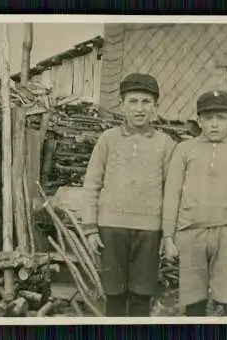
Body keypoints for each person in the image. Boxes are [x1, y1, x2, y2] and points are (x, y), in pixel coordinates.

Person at [162, 90, 227, 317]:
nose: (215, 124)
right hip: (191, 234)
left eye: (221, 118)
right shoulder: (185, 150)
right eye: (208, 119)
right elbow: (172, 193)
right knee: (193, 299)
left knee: (224, 300)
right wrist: (168, 237)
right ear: (199, 120)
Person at [82, 73, 176, 317]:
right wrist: (91, 228)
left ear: (155, 107)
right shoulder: (107, 140)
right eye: (132, 101)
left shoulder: (165, 144)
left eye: (146, 102)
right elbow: (92, 184)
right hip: (111, 229)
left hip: (149, 231)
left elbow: (172, 191)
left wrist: (168, 234)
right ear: (122, 105)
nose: (139, 108)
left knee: (141, 297)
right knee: (114, 295)